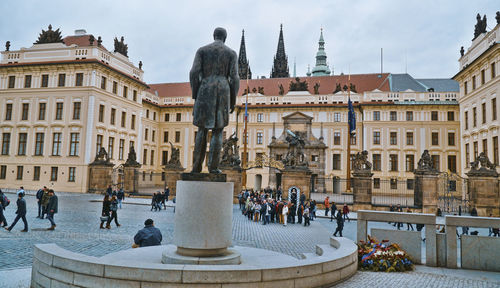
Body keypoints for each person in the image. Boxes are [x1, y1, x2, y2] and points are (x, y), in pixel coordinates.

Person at [189, 27, 239, 173]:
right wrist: (233, 99)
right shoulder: (231, 53)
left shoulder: (202, 50)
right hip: (223, 90)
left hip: (205, 88)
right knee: (218, 130)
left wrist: (195, 93)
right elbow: (235, 78)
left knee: (202, 130)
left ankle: (196, 167)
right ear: (225, 38)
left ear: (214, 36)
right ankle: (214, 168)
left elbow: (193, 73)